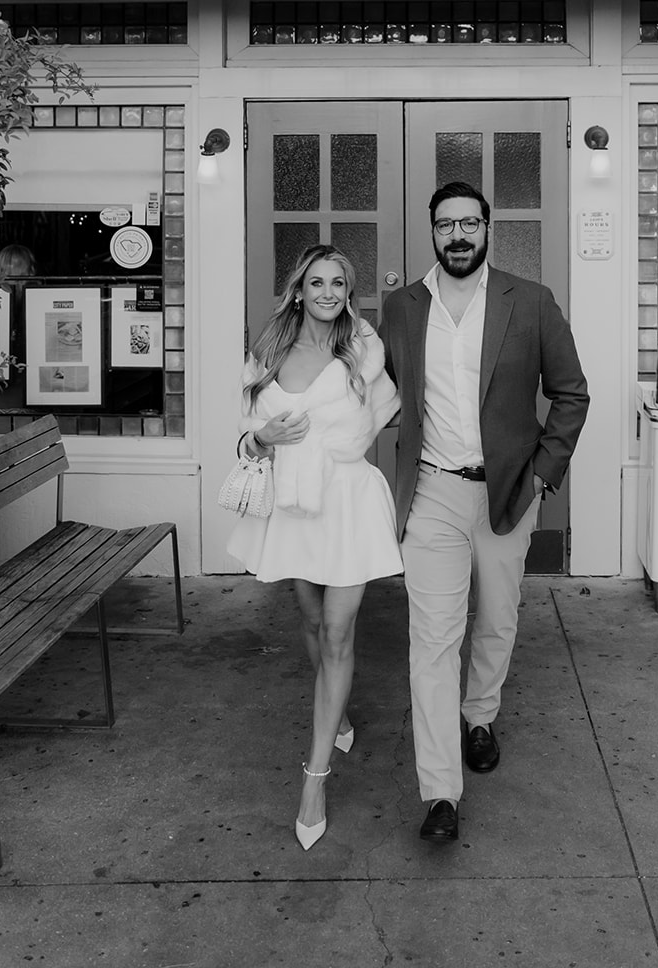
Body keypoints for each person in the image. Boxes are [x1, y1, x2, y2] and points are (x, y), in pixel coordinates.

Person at [380, 181, 589, 845]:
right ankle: (440, 791)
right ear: (432, 232)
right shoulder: (401, 308)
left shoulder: (529, 301)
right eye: (446, 225)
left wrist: (542, 475)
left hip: (505, 492)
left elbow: (570, 394)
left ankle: (479, 715)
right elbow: (365, 388)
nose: (459, 235)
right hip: (432, 493)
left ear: (488, 228)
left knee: (497, 619)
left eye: (470, 223)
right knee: (433, 641)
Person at [226, 244, 401, 851]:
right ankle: (340, 711)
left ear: (348, 291)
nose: (328, 292)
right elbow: (243, 438)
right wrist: (262, 438)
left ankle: (314, 778)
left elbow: (380, 416)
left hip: (346, 503)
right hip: (292, 507)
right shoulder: (268, 353)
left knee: (336, 631)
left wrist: (339, 452)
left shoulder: (363, 350)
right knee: (307, 616)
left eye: (339, 283)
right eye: (317, 282)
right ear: (298, 290)